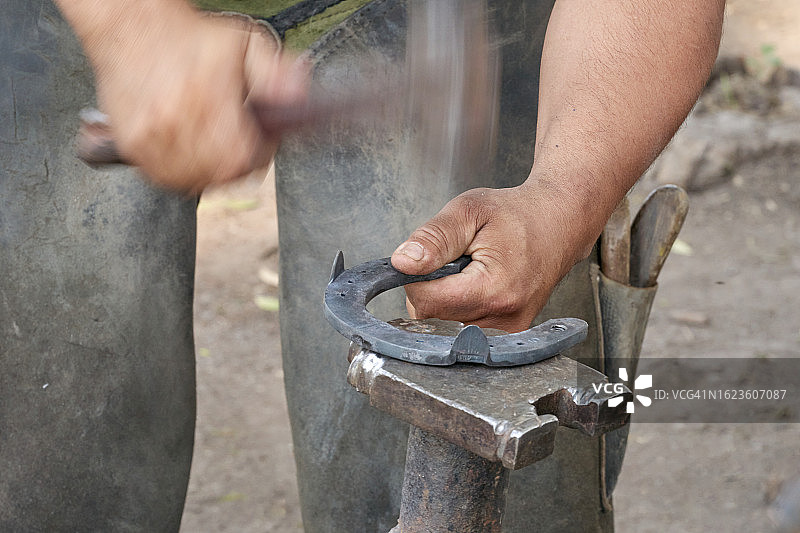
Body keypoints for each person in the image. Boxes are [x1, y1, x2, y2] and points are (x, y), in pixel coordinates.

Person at [7, 0, 724, 530]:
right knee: (49, 478)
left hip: (451, 20)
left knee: (493, 460)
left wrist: (561, 197)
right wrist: (128, 25)